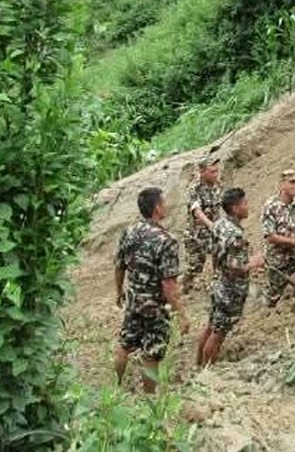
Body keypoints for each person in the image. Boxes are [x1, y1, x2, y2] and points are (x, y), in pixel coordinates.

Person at [113, 187, 190, 394]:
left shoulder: (129, 232)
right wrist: (181, 315)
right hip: (155, 306)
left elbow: (119, 266)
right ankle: (148, 400)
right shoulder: (167, 240)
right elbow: (168, 285)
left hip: (133, 299)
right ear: (157, 208)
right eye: (163, 202)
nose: (166, 206)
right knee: (152, 353)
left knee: (125, 344)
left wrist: (118, 292)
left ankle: (114, 390)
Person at [197, 188, 265, 367]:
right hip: (230, 290)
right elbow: (236, 267)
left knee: (211, 326)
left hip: (218, 283)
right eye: (245, 204)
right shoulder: (235, 234)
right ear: (235, 208)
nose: (248, 207)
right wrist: (254, 262)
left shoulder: (219, 224)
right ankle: (207, 371)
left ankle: (198, 365)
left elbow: (215, 255)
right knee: (218, 335)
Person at [261, 169, 295, 306]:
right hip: (278, 258)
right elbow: (270, 236)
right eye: (292, 182)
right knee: (273, 297)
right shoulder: (271, 206)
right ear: (282, 184)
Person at [180, 154, 222, 294]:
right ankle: (183, 285)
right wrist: (211, 225)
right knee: (195, 266)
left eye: (217, 171)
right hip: (196, 235)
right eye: (212, 171)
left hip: (214, 232)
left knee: (220, 257)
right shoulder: (195, 189)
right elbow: (197, 211)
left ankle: (217, 287)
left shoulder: (218, 186)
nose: (216, 174)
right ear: (202, 172)